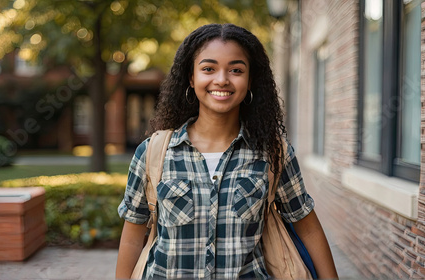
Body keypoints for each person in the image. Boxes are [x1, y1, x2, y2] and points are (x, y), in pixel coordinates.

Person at [116, 23, 338, 279]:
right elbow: (132, 238)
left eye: (235, 70)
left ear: (250, 79)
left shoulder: (273, 152)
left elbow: (307, 228)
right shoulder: (154, 152)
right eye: (208, 69)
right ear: (191, 77)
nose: (221, 79)